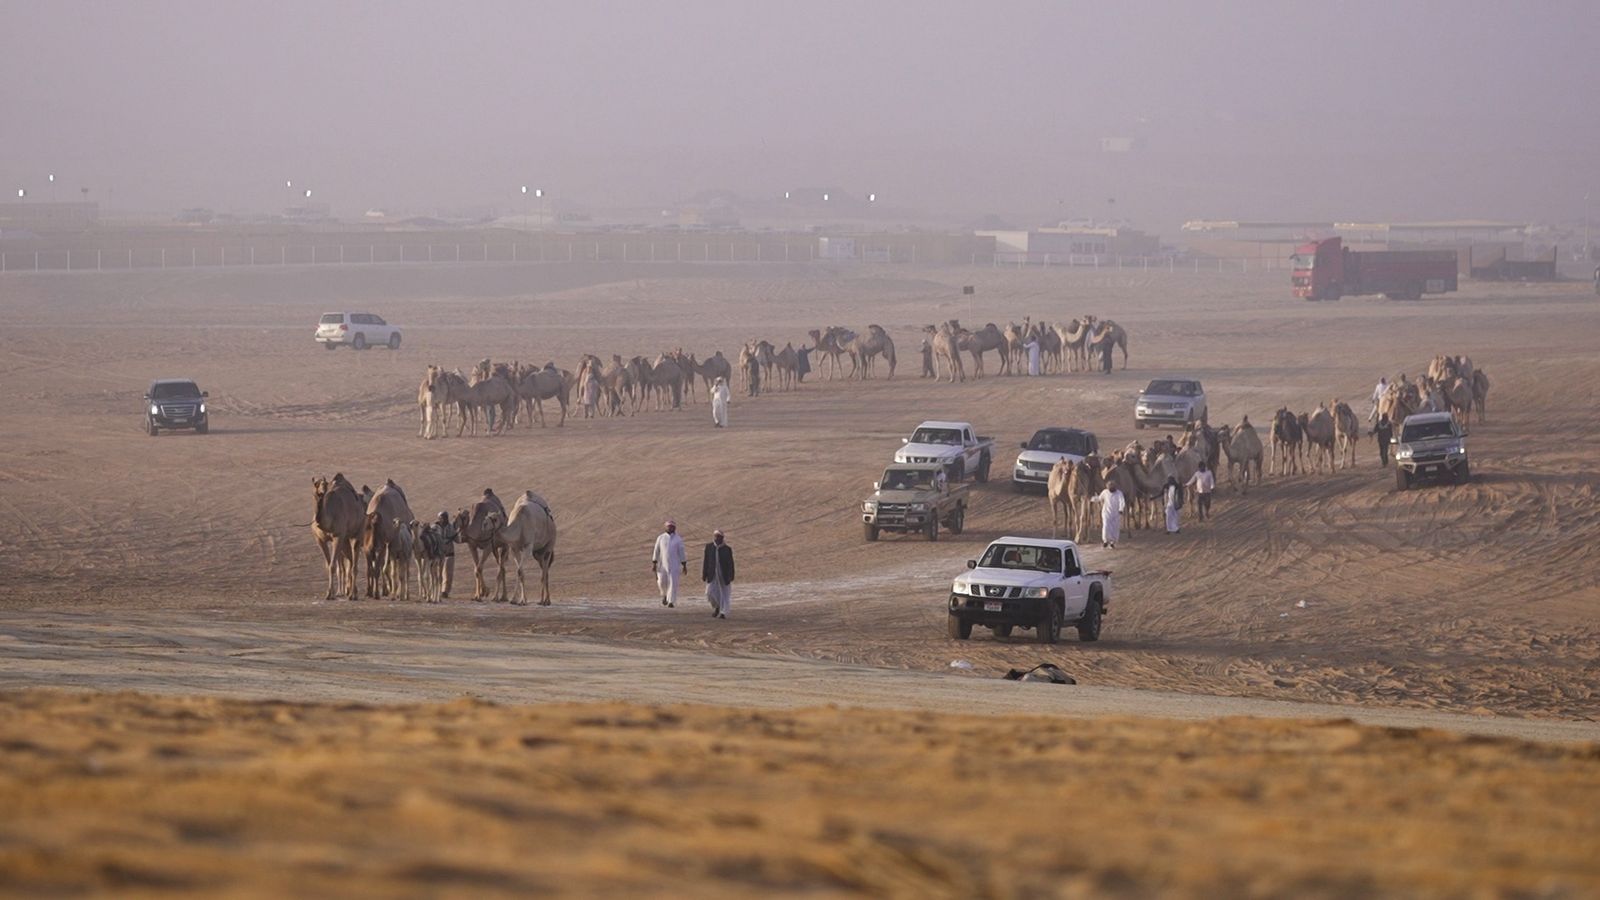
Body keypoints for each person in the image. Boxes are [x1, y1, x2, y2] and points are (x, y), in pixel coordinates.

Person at [651, 520, 687, 608]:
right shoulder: (660, 538)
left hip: (674, 564)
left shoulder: (678, 539)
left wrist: (684, 564)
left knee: (673, 583)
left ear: (674, 528)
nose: (670, 528)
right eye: (668, 526)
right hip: (662, 564)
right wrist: (654, 562)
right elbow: (656, 550)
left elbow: (681, 552)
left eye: (672, 527)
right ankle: (664, 595)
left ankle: (671, 601)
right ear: (666, 527)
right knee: (661, 582)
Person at [702, 529, 735, 619]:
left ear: (722, 538)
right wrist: (704, 574)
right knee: (709, 593)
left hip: (724, 575)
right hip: (712, 574)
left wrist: (731, 575)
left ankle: (723, 612)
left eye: (719, 536)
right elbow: (706, 561)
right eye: (716, 536)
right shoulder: (709, 547)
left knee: (725, 594)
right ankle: (717, 606)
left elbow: (730, 563)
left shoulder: (727, 549)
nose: (717, 538)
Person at [1090, 483, 1125, 548]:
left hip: (1116, 514)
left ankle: (1112, 542)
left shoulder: (1119, 493)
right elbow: (1099, 498)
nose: (1110, 489)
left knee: (1115, 528)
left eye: (1111, 488)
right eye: (1109, 488)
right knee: (1106, 526)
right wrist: (1092, 498)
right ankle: (1105, 541)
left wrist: (1121, 509)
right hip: (1106, 512)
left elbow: (1122, 502)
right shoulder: (1105, 492)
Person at [435, 510, 457, 598]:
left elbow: (457, 540)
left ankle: (445, 591)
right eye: (442, 517)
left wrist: (456, 535)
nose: (443, 519)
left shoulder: (451, 527)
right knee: (437, 573)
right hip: (438, 554)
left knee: (448, 573)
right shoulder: (435, 527)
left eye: (444, 517)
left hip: (449, 553)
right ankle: (436, 589)